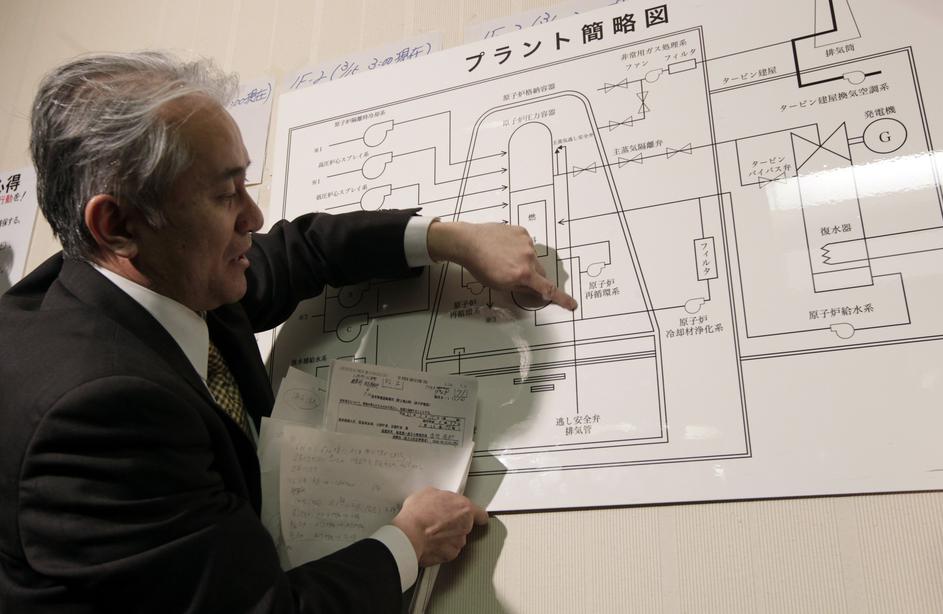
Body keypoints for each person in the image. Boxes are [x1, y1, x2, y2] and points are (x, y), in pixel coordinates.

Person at [0, 51, 576, 613]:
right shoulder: (97, 415)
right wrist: (409, 542)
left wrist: (451, 240)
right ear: (117, 224)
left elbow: (301, 252)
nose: (252, 217)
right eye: (224, 195)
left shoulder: (154, 271)